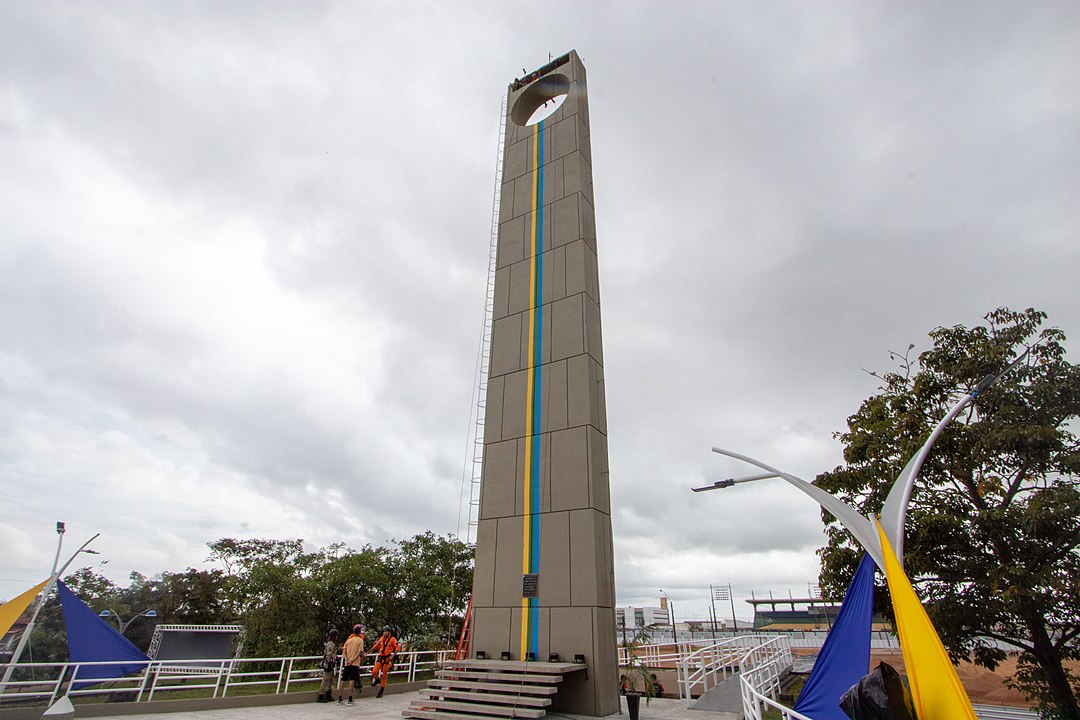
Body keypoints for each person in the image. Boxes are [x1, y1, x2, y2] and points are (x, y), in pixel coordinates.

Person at [368, 625, 399, 698]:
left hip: (387, 659)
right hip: (381, 657)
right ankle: (377, 680)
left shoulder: (393, 639)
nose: (384, 633)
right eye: (384, 631)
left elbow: (397, 648)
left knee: (384, 675)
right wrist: (367, 653)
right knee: (374, 671)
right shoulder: (381, 639)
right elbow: (375, 646)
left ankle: (381, 691)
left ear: (389, 632)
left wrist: (392, 656)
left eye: (386, 631)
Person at [338, 624, 365, 704]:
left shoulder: (349, 640)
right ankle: (350, 699)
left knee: (343, 680)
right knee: (351, 680)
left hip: (347, 663)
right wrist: (352, 660)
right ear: (360, 632)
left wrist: (347, 660)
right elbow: (359, 652)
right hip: (355, 663)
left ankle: (340, 698)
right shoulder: (360, 641)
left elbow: (344, 651)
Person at [317, 628, 339, 703]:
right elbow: (329, 653)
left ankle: (328, 693)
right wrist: (335, 658)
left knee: (331, 679)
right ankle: (321, 694)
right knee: (326, 679)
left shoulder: (331, 643)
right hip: (328, 663)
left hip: (331, 663)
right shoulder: (330, 644)